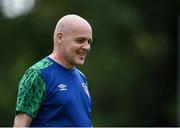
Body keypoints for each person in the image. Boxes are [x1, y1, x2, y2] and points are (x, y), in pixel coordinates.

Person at [13, 14, 93, 127]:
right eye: (80, 40)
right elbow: (20, 124)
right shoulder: (38, 74)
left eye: (89, 42)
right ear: (60, 38)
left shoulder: (82, 78)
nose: (86, 47)